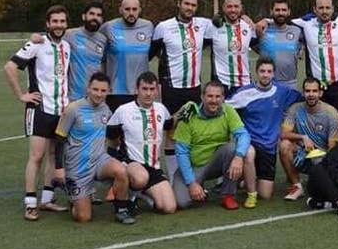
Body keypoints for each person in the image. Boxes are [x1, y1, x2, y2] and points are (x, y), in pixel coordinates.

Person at [4, 4, 72, 221]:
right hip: (40, 109)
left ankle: (47, 199)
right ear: (47, 23)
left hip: (61, 111)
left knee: (53, 155)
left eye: (62, 21)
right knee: (36, 156)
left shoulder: (67, 47)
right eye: (55, 21)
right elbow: (10, 67)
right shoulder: (37, 44)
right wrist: (21, 95)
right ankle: (30, 203)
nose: (59, 25)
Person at [54, 72, 135, 224]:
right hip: (78, 167)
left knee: (121, 171)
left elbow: (113, 136)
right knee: (83, 217)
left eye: (103, 91)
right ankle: (74, 197)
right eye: (95, 89)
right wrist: (59, 168)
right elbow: (59, 139)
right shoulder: (73, 109)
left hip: (99, 160)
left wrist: (117, 157)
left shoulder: (106, 109)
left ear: (108, 91)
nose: (99, 94)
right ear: (88, 89)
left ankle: (122, 210)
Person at [150, 0, 212, 180]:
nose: (190, 8)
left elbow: (225, 20)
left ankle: (191, 175)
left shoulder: (204, 25)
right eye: (186, 4)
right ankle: (173, 177)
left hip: (194, 88)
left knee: (192, 132)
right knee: (171, 132)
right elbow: (151, 53)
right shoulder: (163, 27)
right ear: (179, 3)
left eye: (193, 5)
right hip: (171, 88)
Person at [228, 58, 303, 205]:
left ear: (273, 74)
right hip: (250, 143)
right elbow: (222, 106)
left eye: (269, 71)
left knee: (266, 195)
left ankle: (247, 178)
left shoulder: (282, 92)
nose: (265, 75)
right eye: (262, 71)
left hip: (268, 148)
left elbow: (304, 97)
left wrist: (323, 89)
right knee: (248, 153)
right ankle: (251, 194)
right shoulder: (244, 93)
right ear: (256, 72)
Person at [172, 81, 251, 210]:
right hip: (194, 166)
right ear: (202, 97)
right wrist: (191, 183)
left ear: (223, 98)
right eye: (210, 96)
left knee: (231, 149)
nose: (214, 100)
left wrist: (238, 157)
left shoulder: (228, 111)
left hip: (215, 162)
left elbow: (243, 135)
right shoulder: (189, 116)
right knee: (182, 203)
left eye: (217, 97)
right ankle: (199, 186)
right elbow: (181, 152)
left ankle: (228, 195)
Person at [106, 71, 178, 213]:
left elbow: (170, 125)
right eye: (144, 89)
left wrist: (182, 112)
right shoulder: (123, 111)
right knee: (140, 178)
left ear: (157, 91)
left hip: (154, 168)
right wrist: (117, 165)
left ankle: (140, 195)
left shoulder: (161, 110)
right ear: (136, 90)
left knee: (169, 208)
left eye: (152, 89)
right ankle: (127, 193)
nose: (148, 93)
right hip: (131, 164)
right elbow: (111, 138)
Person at [289, 0, 338, 110]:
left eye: (327, 8)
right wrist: (265, 21)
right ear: (314, 9)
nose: (324, 11)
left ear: (333, 8)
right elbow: (281, 19)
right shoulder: (306, 23)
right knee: (316, 122)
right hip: (316, 86)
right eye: (321, 8)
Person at [30, 2, 106, 102]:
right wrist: (35, 36)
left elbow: (103, 64)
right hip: (73, 97)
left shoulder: (103, 39)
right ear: (84, 16)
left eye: (98, 15)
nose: (94, 17)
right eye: (91, 14)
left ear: (102, 19)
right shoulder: (70, 34)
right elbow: (52, 35)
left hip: (95, 97)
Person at [279, 78, 338, 201]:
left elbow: (333, 147)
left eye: (314, 91)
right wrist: (302, 137)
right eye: (307, 91)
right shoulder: (295, 109)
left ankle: (322, 180)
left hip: (322, 157)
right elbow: (283, 134)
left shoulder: (330, 113)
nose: (311, 94)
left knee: (321, 190)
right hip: (302, 154)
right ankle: (297, 186)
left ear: (320, 93)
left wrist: (325, 166)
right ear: (303, 92)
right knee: (284, 145)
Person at [100, 0, 154, 112]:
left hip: (141, 91)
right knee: (115, 129)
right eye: (127, 9)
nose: (131, 13)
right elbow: (99, 55)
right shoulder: (108, 27)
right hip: (115, 91)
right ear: (120, 10)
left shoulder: (148, 26)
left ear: (139, 10)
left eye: (134, 9)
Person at [210, 0, 257, 96]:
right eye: (229, 6)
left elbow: (260, 42)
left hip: (244, 83)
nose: (233, 10)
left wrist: (265, 20)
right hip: (222, 84)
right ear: (223, 8)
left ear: (241, 8)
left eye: (236, 6)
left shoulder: (248, 27)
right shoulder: (212, 27)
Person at [256, 0, 304, 86]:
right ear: (271, 11)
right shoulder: (262, 29)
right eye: (277, 10)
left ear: (289, 12)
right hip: (268, 84)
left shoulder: (297, 30)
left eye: (284, 10)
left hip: (290, 83)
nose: (280, 13)